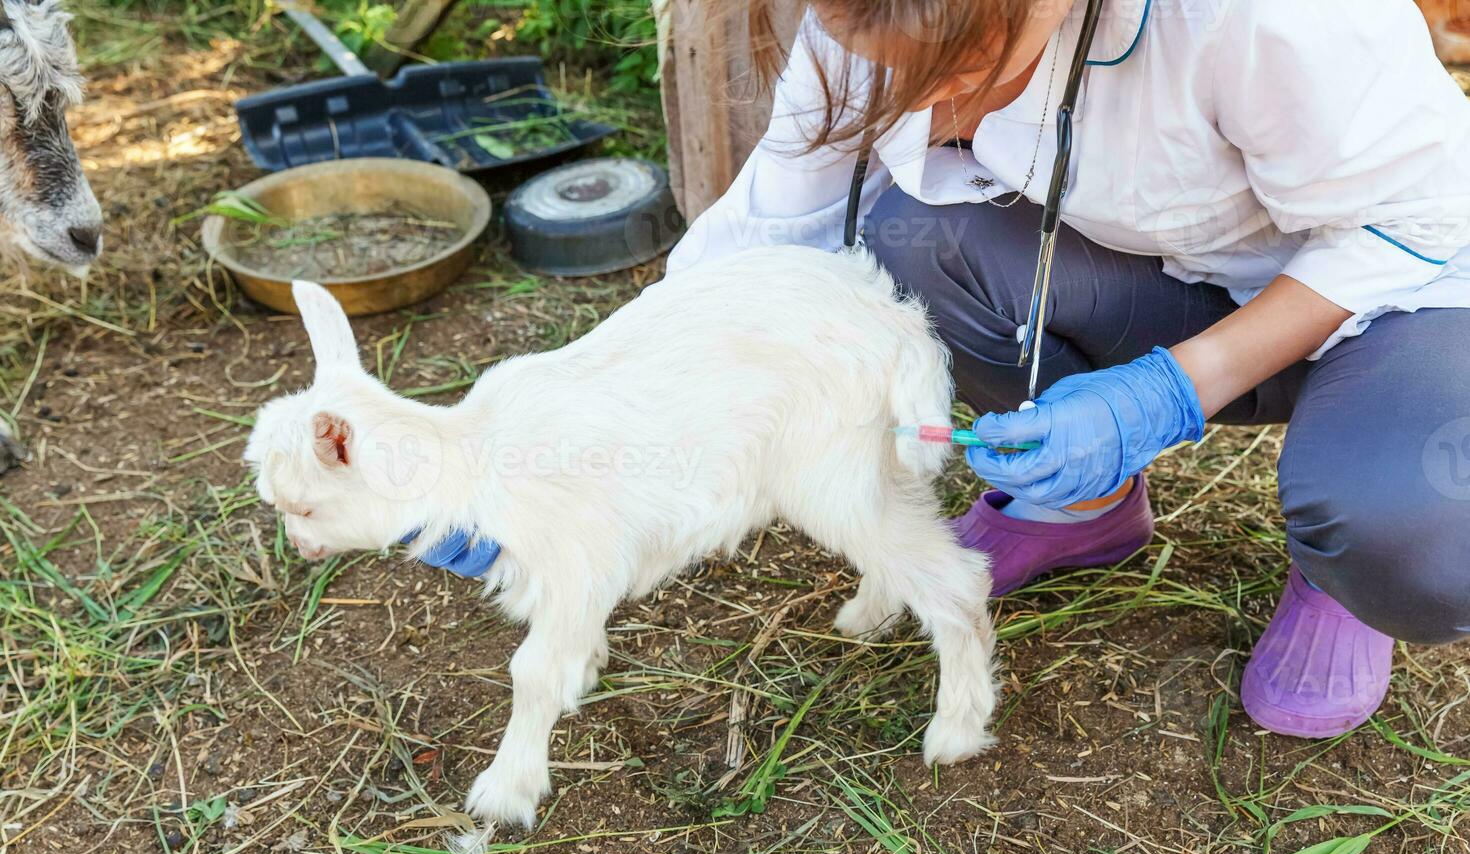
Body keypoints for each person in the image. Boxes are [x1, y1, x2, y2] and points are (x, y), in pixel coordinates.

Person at [420, 0, 1470, 739]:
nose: (924, 101)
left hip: (1397, 294)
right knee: (910, 239)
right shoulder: (872, 18)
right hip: (1179, 271)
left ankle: (1345, 566)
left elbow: (1410, 229)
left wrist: (1167, 389)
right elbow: (769, 245)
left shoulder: (1269, 17)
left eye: (965, 68)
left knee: (1408, 516)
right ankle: (1085, 507)